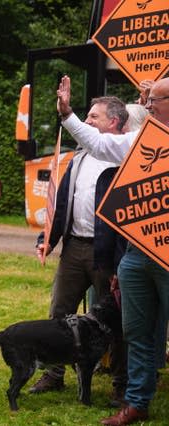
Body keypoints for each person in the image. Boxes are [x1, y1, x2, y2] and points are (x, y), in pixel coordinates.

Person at [57, 75, 169, 425]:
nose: (146, 107)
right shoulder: (142, 139)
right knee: (136, 331)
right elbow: (102, 145)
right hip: (136, 253)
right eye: (147, 101)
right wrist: (67, 115)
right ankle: (136, 403)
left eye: (154, 101)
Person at [30, 97, 129, 407]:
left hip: (107, 254)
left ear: (113, 122)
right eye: (85, 115)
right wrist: (47, 239)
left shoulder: (123, 158)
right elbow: (62, 206)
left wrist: (120, 260)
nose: (87, 121)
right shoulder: (78, 158)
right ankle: (54, 373)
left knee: (115, 322)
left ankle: (120, 385)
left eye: (93, 116)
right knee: (59, 313)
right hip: (74, 248)